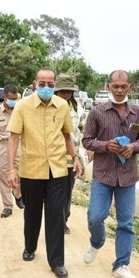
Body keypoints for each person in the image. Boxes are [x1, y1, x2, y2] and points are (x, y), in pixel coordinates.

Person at [7, 67, 82, 278]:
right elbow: (13, 138)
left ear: (55, 85)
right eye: (42, 84)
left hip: (57, 169)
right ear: (34, 84)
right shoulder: (22, 107)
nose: (46, 88)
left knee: (56, 216)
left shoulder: (62, 106)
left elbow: (68, 136)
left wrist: (75, 158)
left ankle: (57, 261)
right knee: (32, 214)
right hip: (31, 169)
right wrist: (12, 169)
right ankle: (30, 246)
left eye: (50, 84)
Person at [81, 70, 139, 278]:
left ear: (130, 87)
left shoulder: (137, 113)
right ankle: (97, 241)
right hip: (103, 175)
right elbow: (87, 140)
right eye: (115, 86)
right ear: (108, 86)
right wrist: (104, 145)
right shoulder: (97, 112)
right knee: (95, 217)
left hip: (127, 177)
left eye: (123, 87)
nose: (119, 90)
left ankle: (121, 265)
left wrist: (133, 146)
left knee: (126, 223)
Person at [0, 84, 24, 218]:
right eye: (11, 98)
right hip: (2, 147)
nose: (13, 101)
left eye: (15, 98)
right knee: (3, 177)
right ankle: (7, 206)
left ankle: (18, 194)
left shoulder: (20, 110)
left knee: (20, 174)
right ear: (4, 97)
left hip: (18, 146)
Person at [54, 74, 86, 234]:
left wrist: (86, 152)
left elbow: (83, 129)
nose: (65, 94)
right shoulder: (49, 108)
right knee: (54, 194)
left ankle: (64, 220)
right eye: (62, 91)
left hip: (71, 160)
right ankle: (56, 221)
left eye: (68, 91)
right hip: (52, 159)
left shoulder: (77, 109)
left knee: (67, 192)